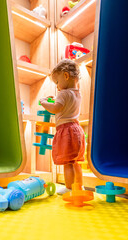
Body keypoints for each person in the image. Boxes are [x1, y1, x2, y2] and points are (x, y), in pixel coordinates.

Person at [40, 59, 85, 195]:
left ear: (66, 76)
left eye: (57, 82)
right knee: (76, 162)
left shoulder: (63, 93)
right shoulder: (77, 94)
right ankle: (79, 187)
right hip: (77, 130)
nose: (57, 87)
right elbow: (65, 106)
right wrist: (56, 99)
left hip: (66, 131)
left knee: (68, 163)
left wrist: (43, 102)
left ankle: (69, 188)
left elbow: (55, 108)